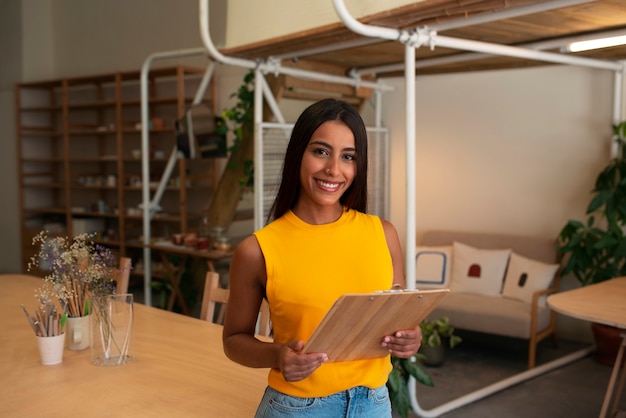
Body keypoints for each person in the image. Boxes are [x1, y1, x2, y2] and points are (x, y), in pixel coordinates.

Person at [223, 98, 422, 417]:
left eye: (348, 157)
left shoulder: (383, 234)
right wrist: (278, 356)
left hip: (374, 404)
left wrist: (409, 339)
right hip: (298, 408)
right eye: (320, 151)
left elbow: (399, 317)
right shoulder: (257, 250)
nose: (334, 169)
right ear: (298, 154)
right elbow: (233, 340)